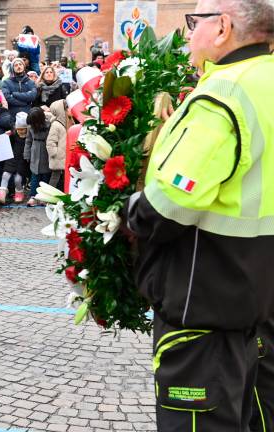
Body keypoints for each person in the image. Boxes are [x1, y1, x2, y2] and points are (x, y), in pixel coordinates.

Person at [123, 0, 274, 430]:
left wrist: (127, 212)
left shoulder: (224, 93)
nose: (188, 33)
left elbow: (170, 203)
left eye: (194, 21)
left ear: (223, 27)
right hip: (255, 297)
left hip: (203, 301)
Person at [0, 111, 29, 204]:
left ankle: (19, 192)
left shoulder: (29, 136)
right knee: (5, 174)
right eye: (19, 129)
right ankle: (1, 193)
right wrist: (7, 136)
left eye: (23, 129)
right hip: (12, 157)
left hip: (22, 160)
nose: (21, 131)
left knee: (18, 179)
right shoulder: (14, 133)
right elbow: (8, 141)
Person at [23, 107, 51, 207]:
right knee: (34, 176)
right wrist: (27, 154)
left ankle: (44, 196)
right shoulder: (31, 127)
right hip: (34, 152)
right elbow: (28, 141)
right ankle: (33, 196)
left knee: (46, 176)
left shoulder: (49, 125)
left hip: (46, 151)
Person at [45, 99, 67, 190]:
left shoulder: (65, 122)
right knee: (55, 177)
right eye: (66, 108)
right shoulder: (56, 125)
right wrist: (54, 153)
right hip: (58, 156)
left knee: (64, 176)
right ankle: (49, 194)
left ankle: (63, 192)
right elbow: (50, 141)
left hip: (64, 155)